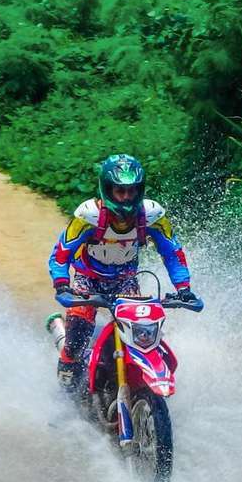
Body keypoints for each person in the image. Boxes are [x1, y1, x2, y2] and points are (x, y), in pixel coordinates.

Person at [47, 154, 200, 386]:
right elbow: (61, 253)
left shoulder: (153, 215)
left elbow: (173, 252)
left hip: (126, 280)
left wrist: (184, 288)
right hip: (87, 280)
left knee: (143, 330)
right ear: (107, 190)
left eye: (132, 191)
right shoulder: (89, 216)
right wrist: (61, 283)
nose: (127, 197)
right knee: (78, 330)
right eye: (120, 191)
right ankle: (67, 364)